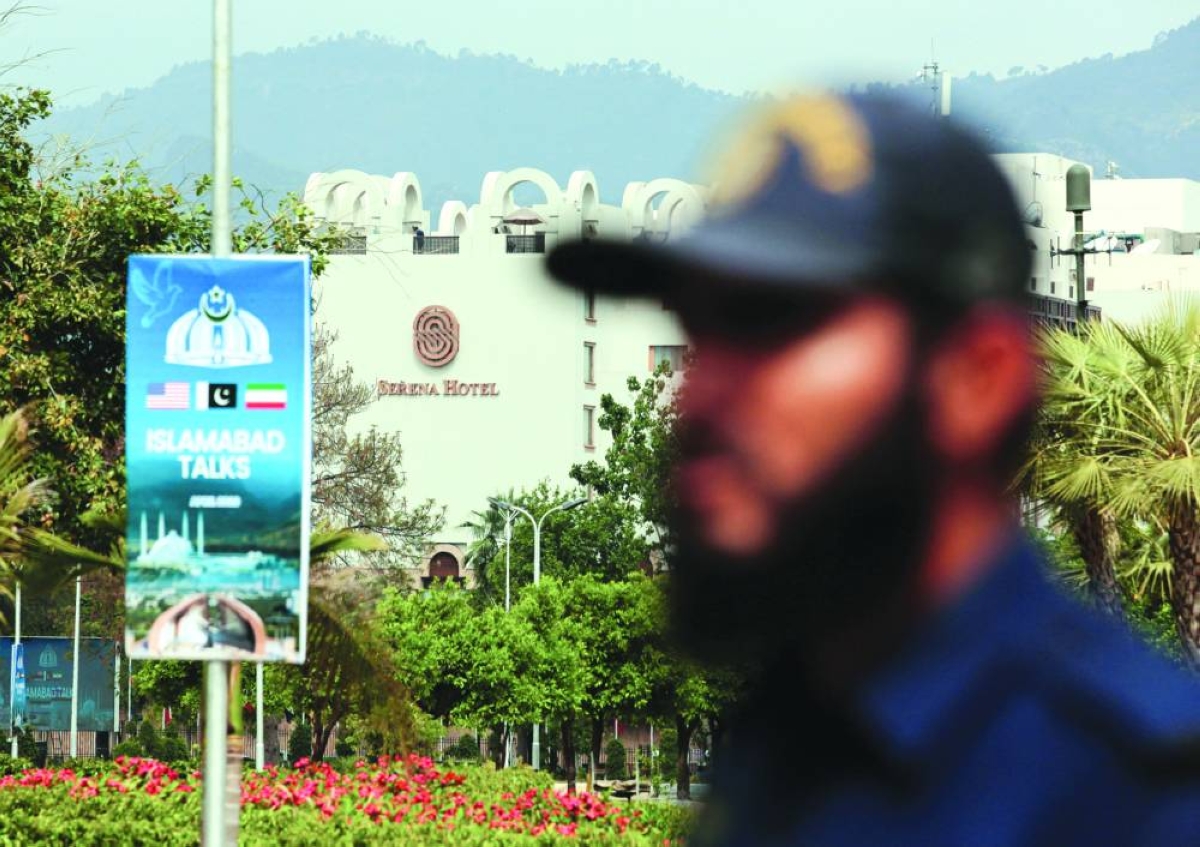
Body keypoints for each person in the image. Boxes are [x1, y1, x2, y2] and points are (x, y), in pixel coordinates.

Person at [547, 93, 1200, 845]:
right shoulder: (786, 745)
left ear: (977, 377)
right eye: (697, 328)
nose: (701, 392)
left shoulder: (1140, 796)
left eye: (770, 322)